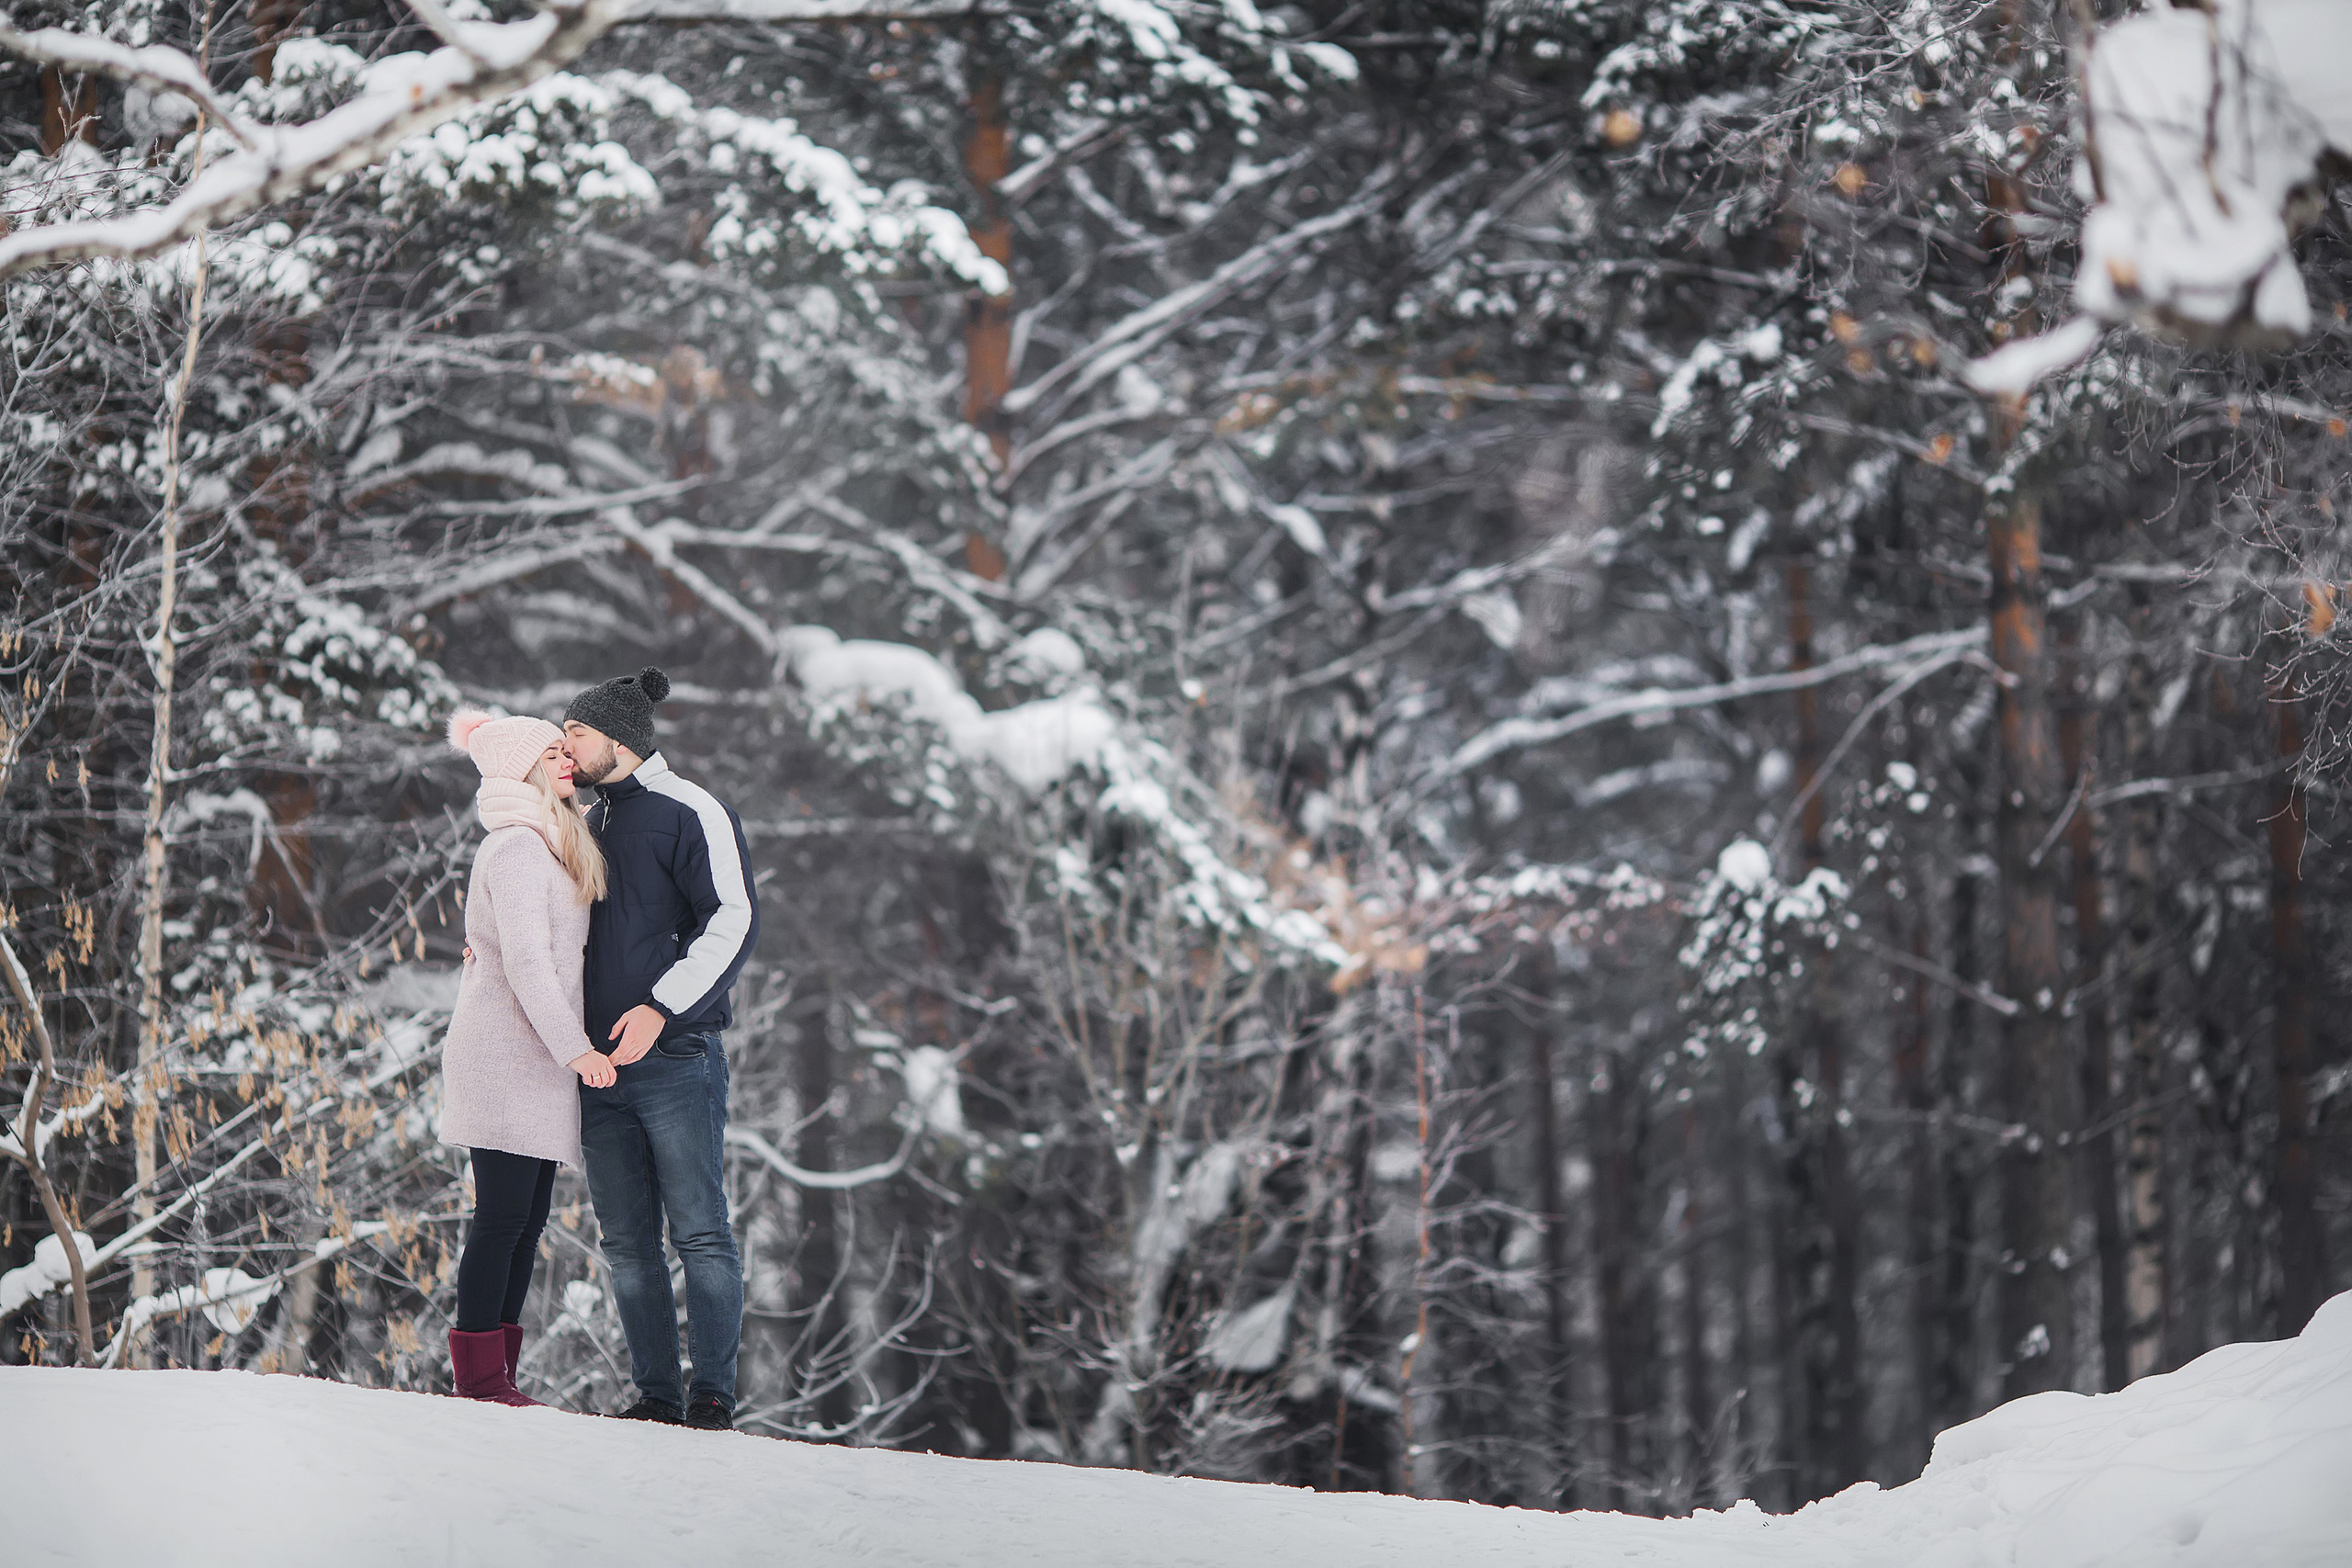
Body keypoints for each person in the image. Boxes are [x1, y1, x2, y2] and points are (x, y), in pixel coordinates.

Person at [560, 667, 758, 1430]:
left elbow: (732, 919)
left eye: (576, 732)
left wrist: (661, 1007)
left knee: (701, 1230)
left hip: (676, 1059)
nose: (566, 745)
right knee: (626, 1243)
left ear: (619, 739)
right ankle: (655, 1397)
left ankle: (711, 1396)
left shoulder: (692, 810)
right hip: (597, 1066)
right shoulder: (585, 818)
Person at [440, 710, 616, 1407]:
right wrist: (578, 1050)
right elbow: (527, 964)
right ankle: (481, 1381)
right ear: (521, 768)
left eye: (563, 749)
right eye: (551, 752)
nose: (566, 759)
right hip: (506, 1054)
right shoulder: (515, 846)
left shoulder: (550, 843)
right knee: (503, 1217)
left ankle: (499, 1377)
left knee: (525, 1218)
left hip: (535, 1054)